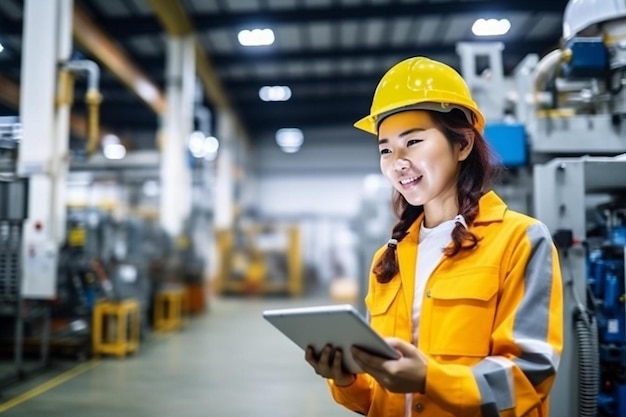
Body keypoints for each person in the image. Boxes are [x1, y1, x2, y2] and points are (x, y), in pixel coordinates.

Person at [304, 57, 563, 417]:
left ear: (463, 145)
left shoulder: (520, 240)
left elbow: (530, 375)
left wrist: (429, 378)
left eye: (413, 141)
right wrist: (345, 379)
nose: (398, 161)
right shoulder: (388, 260)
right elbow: (377, 398)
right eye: (385, 149)